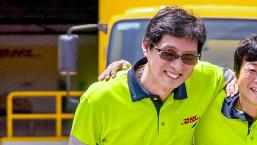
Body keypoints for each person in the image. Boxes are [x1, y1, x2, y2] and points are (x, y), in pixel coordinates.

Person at [69, 5, 231, 145]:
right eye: (168, 53)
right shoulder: (98, 99)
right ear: (147, 46)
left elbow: (242, 78)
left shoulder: (204, 77)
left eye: (189, 57)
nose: (177, 65)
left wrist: (235, 82)